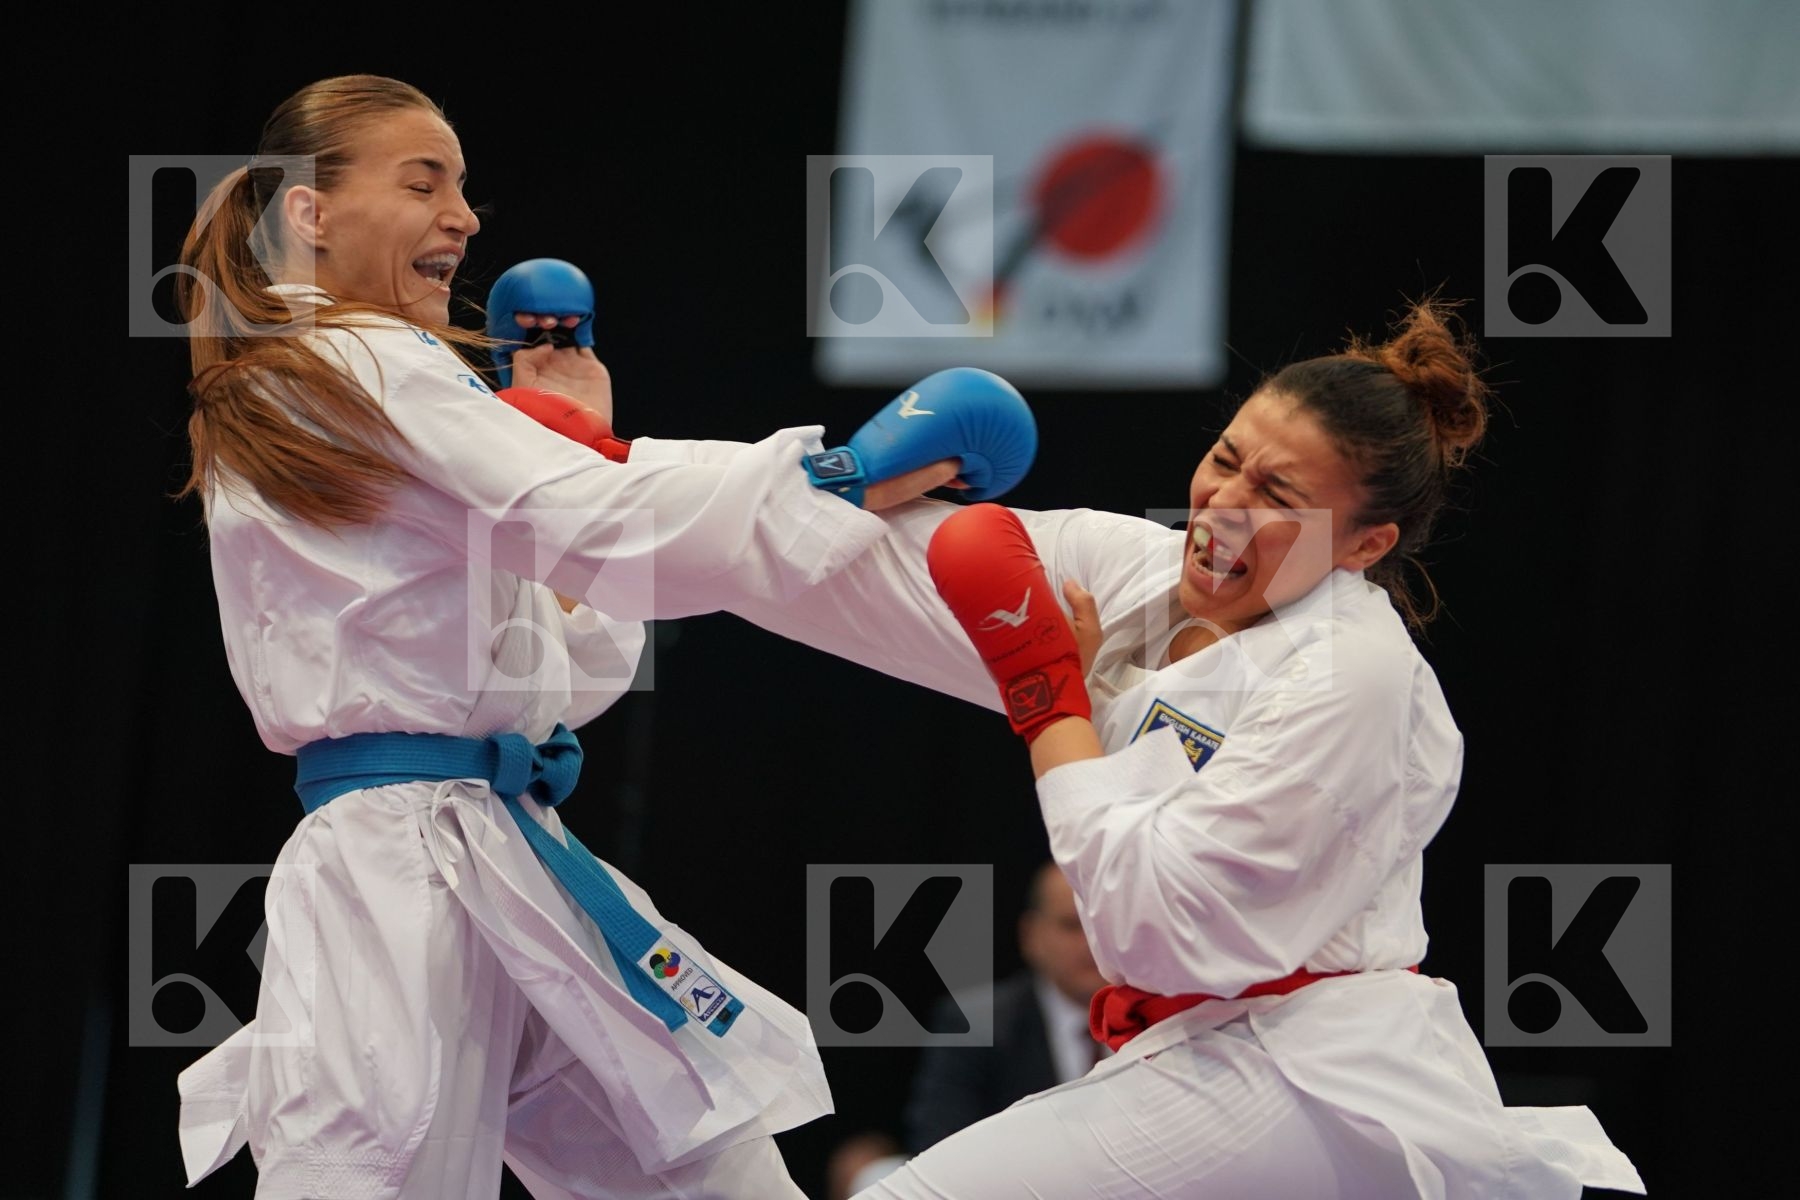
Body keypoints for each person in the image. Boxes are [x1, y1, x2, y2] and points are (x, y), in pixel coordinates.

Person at [167, 74, 1028, 1199]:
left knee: (707, 1168)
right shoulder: (348, 360)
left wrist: (582, 443)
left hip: (499, 849)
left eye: (463, 189)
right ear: (311, 212)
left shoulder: (350, 374)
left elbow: (562, 670)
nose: (463, 218)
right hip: (397, 872)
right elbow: (607, 521)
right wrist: (838, 478)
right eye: (423, 183)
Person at [593, 297, 1646, 1197]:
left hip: (1305, 1077)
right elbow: (858, 574)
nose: (1224, 505)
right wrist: (605, 470)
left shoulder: (1350, 683)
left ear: (1365, 545)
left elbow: (1154, 933)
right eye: (1226, 459)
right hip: (1199, 1049)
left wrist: (1054, 705)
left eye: (1279, 497)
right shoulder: (1138, 573)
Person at [903, 861, 1107, 1155]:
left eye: (1103, 926)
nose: (1091, 942)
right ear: (1031, 936)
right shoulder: (975, 1026)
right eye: (1071, 925)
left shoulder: (1165, 1021)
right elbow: (941, 1148)